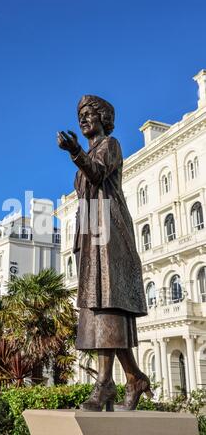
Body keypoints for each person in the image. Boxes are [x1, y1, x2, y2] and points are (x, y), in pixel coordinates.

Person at [57, 95, 152, 411]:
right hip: (92, 234)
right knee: (98, 304)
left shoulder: (110, 145)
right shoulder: (87, 153)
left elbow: (97, 173)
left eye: (89, 114)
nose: (83, 119)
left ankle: (105, 384)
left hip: (109, 231)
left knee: (107, 302)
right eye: (80, 115)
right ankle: (133, 376)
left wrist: (74, 152)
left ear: (103, 118)